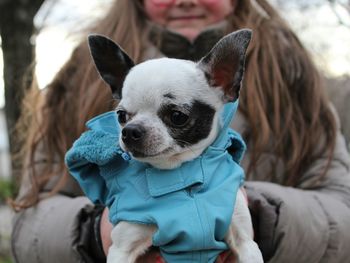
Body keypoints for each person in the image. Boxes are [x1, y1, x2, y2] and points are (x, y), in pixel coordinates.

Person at [10, 0, 350, 262]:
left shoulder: (293, 78)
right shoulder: (77, 78)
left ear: (226, 81)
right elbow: (27, 223)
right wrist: (95, 230)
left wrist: (259, 215)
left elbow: (342, 213)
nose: (185, 0)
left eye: (175, 115)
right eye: (124, 117)